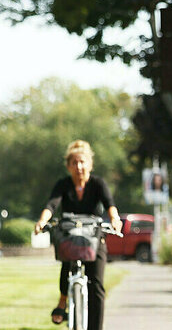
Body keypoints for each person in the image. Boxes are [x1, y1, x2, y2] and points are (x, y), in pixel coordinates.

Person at [35, 140, 122, 327]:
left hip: (94, 237)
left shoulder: (98, 184)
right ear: (68, 166)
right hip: (71, 235)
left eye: (82, 162)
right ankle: (63, 300)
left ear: (90, 164)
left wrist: (115, 219)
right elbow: (51, 205)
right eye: (74, 162)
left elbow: (110, 204)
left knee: (96, 285)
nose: (79, 166)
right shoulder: (63, 185)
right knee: (67, 259)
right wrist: (42, 220)